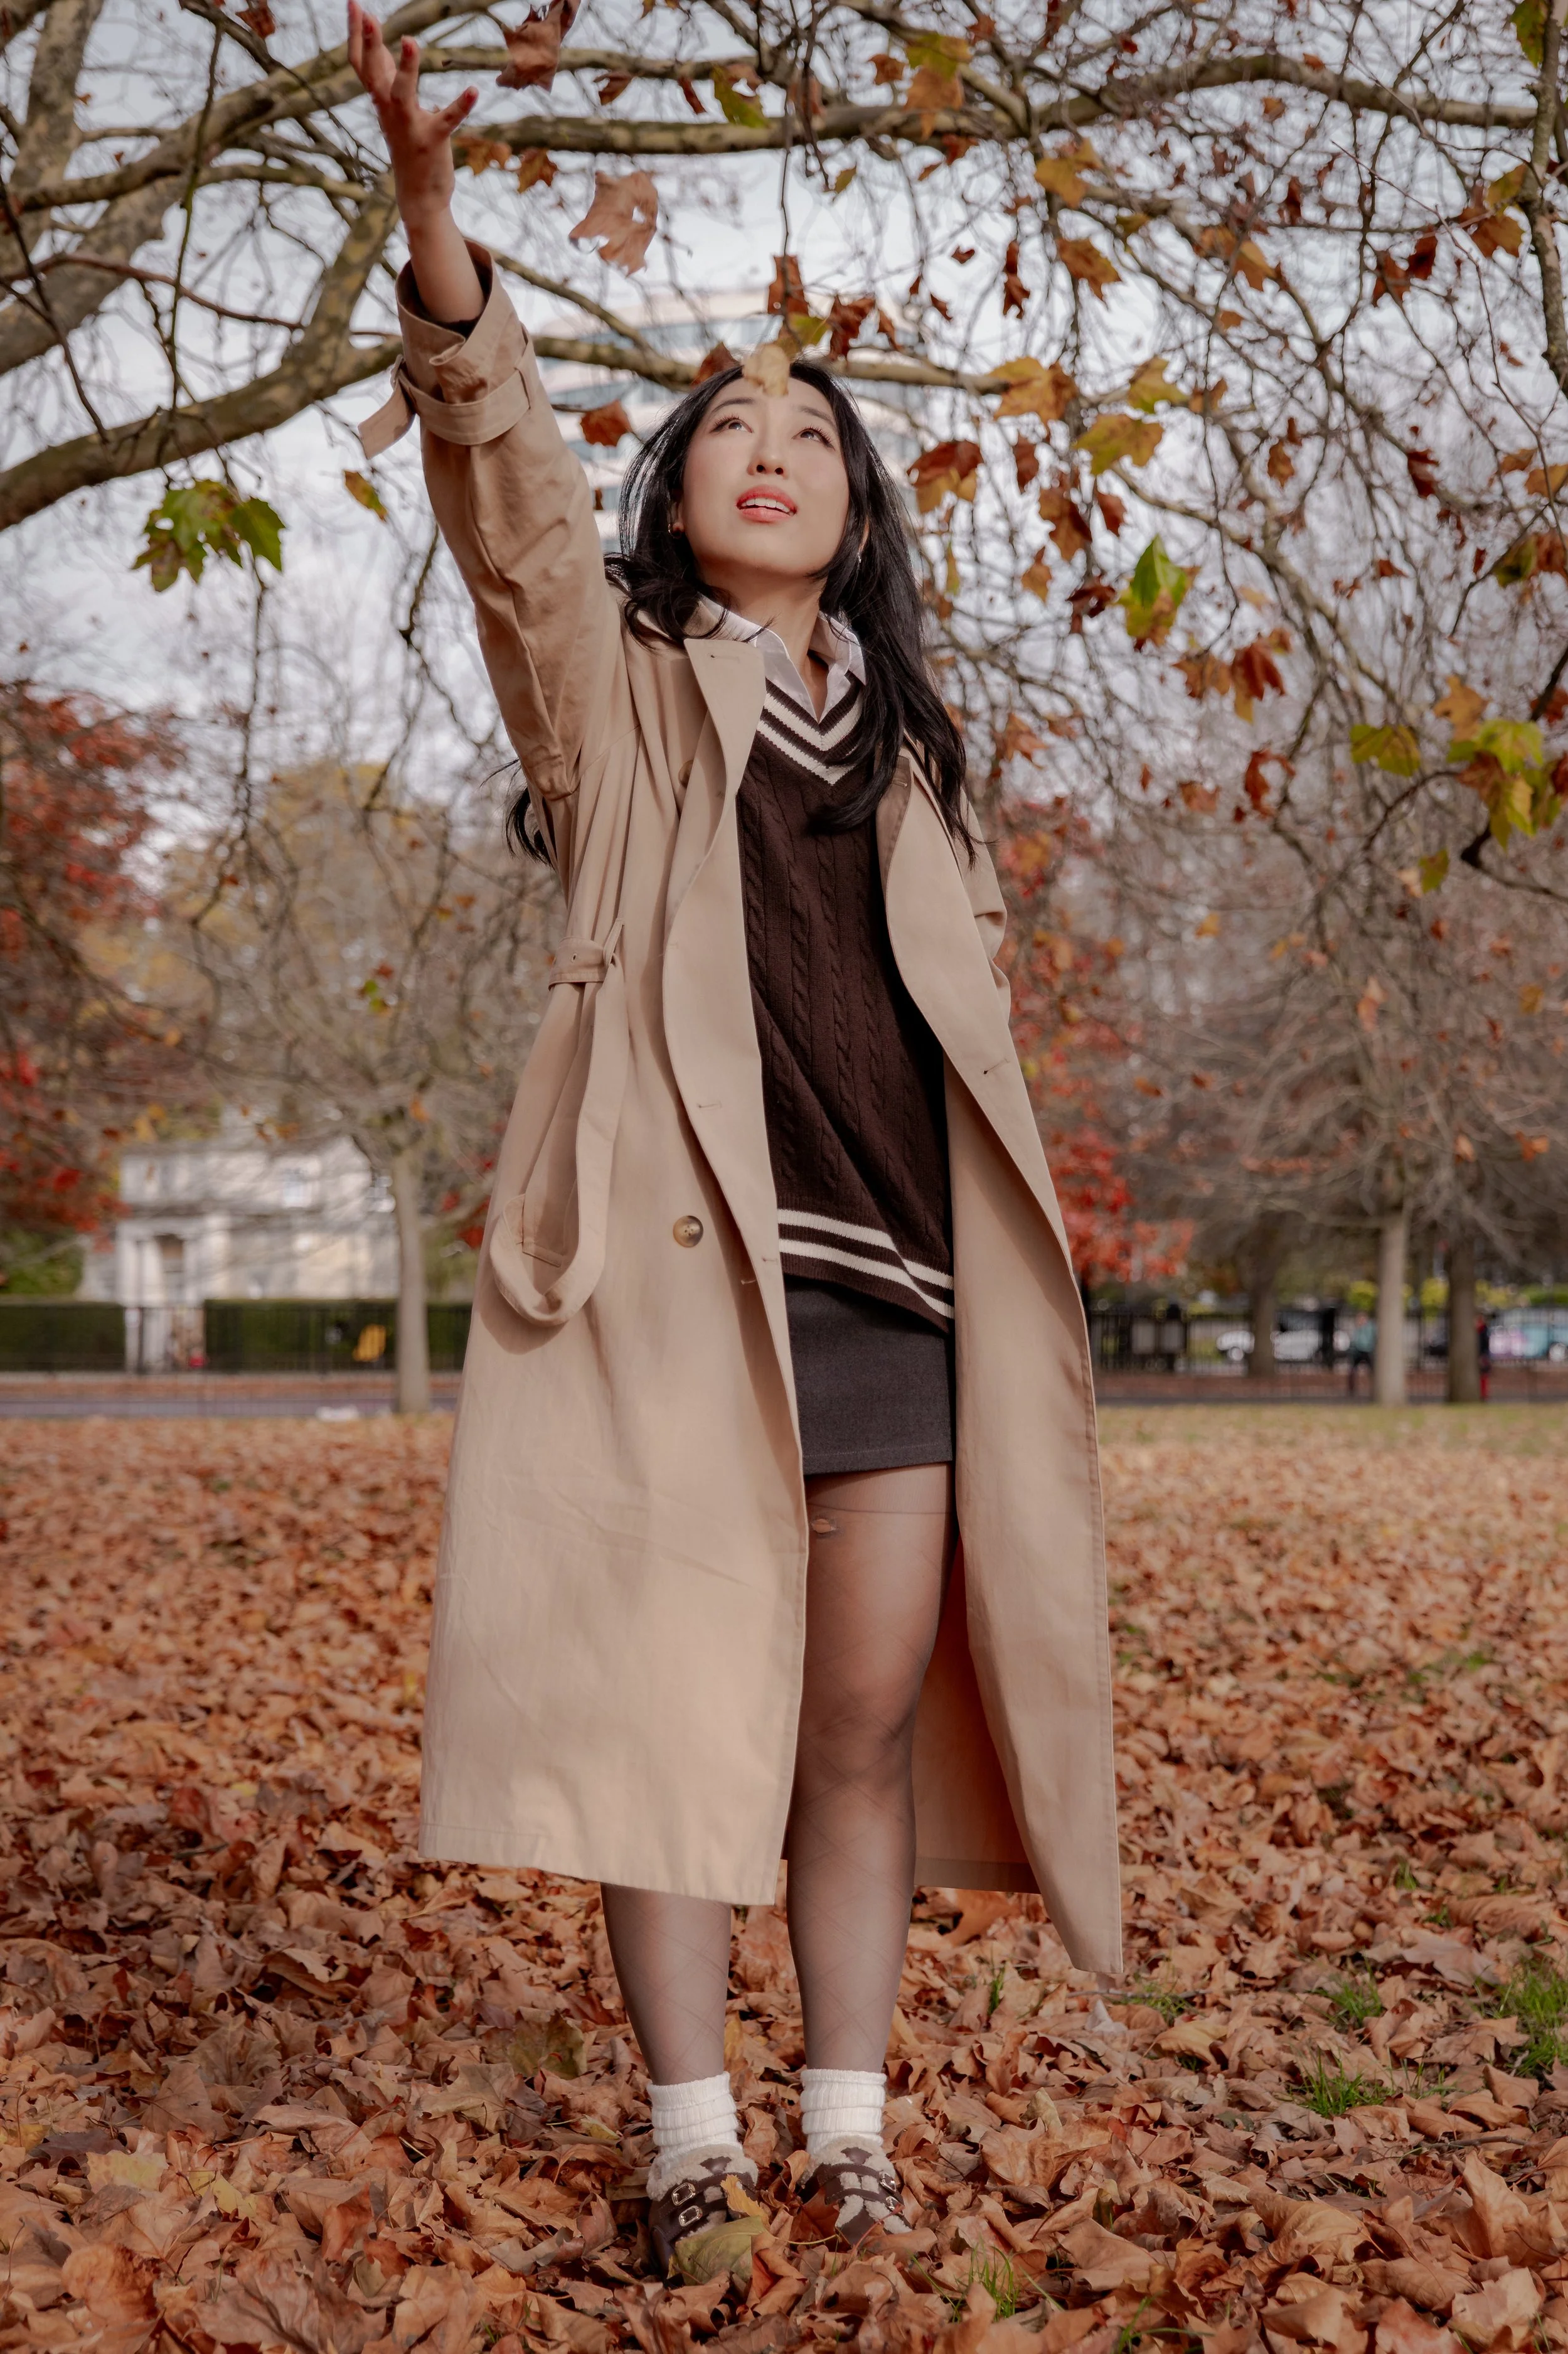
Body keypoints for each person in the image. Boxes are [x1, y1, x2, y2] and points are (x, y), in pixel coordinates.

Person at [346, 3, 1120, 2276]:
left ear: (857, 511)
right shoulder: (617, 708)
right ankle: (691, 2132)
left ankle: (846, 2122)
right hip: (686, 1307)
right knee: (675, 1716)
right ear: (674, 495)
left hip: (897, 1312)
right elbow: (500, 510)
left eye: (813, 433)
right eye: (725, 429)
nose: (770, 448)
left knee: (854, 1734)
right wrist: (435, 247)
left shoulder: (928, 764)